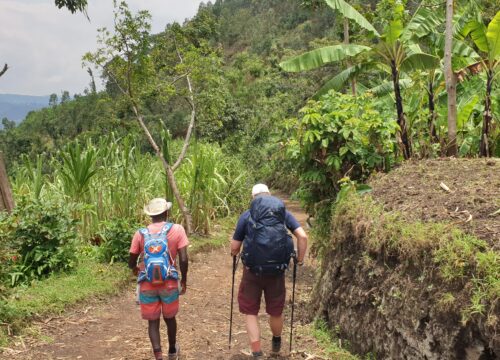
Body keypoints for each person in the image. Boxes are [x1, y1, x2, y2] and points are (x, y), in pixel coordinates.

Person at [230, 184, 308, 358]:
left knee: (251, 311)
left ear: (253, 197)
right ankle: (276, 342)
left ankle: (257, 351)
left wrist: (234, 253)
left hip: (252, 272)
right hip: (277, 272)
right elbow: (302, 236)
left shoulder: (247, 215)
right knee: (275, 310)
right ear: (270, 196)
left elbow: (235, 246)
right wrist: (299, 260)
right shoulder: (283, 213)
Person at [129, 198, 189, 360]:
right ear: (167, 212)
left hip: (147, 284)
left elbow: (132, 258)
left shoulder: (140, 234)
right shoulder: (177, 230)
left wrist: (135, 269)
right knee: (170, 318)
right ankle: (172, 351)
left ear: (150, 215)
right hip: (169, 282)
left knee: (153, 322)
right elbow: (183, 258)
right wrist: (183, 280)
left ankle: (158, 356)